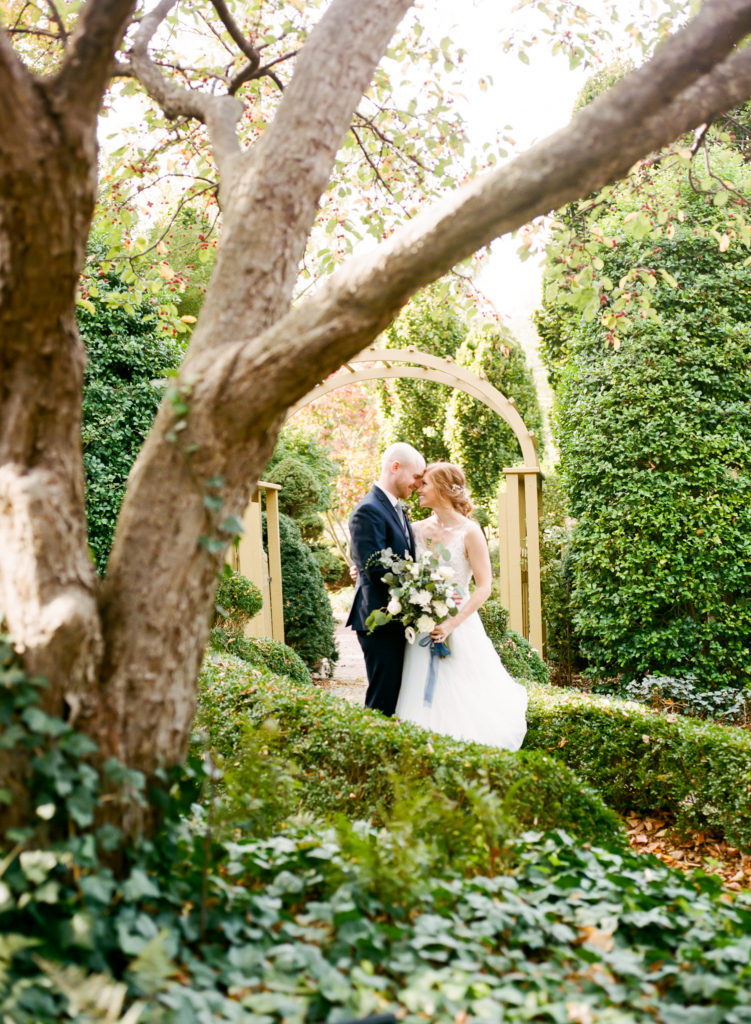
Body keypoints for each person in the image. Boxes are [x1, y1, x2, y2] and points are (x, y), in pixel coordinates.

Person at [395, 462, 527, 750]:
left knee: (461, 691)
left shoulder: (470, 531)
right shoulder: (414, 529)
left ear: (442, 489)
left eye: (425, 483)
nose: (418, 487)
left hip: (459, 624)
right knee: (417, 690)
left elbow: (483, 587)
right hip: (421, 626)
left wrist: (452, 623)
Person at [346, 442, 426, 715]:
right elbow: (377, 569)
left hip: (396, 620)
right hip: (378, 621)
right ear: (395, 467)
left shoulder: (396, 508)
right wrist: (424, 583)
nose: (418, 484)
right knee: (382, 701)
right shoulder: (368, 510)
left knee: (395, 697)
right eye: (416, 477)